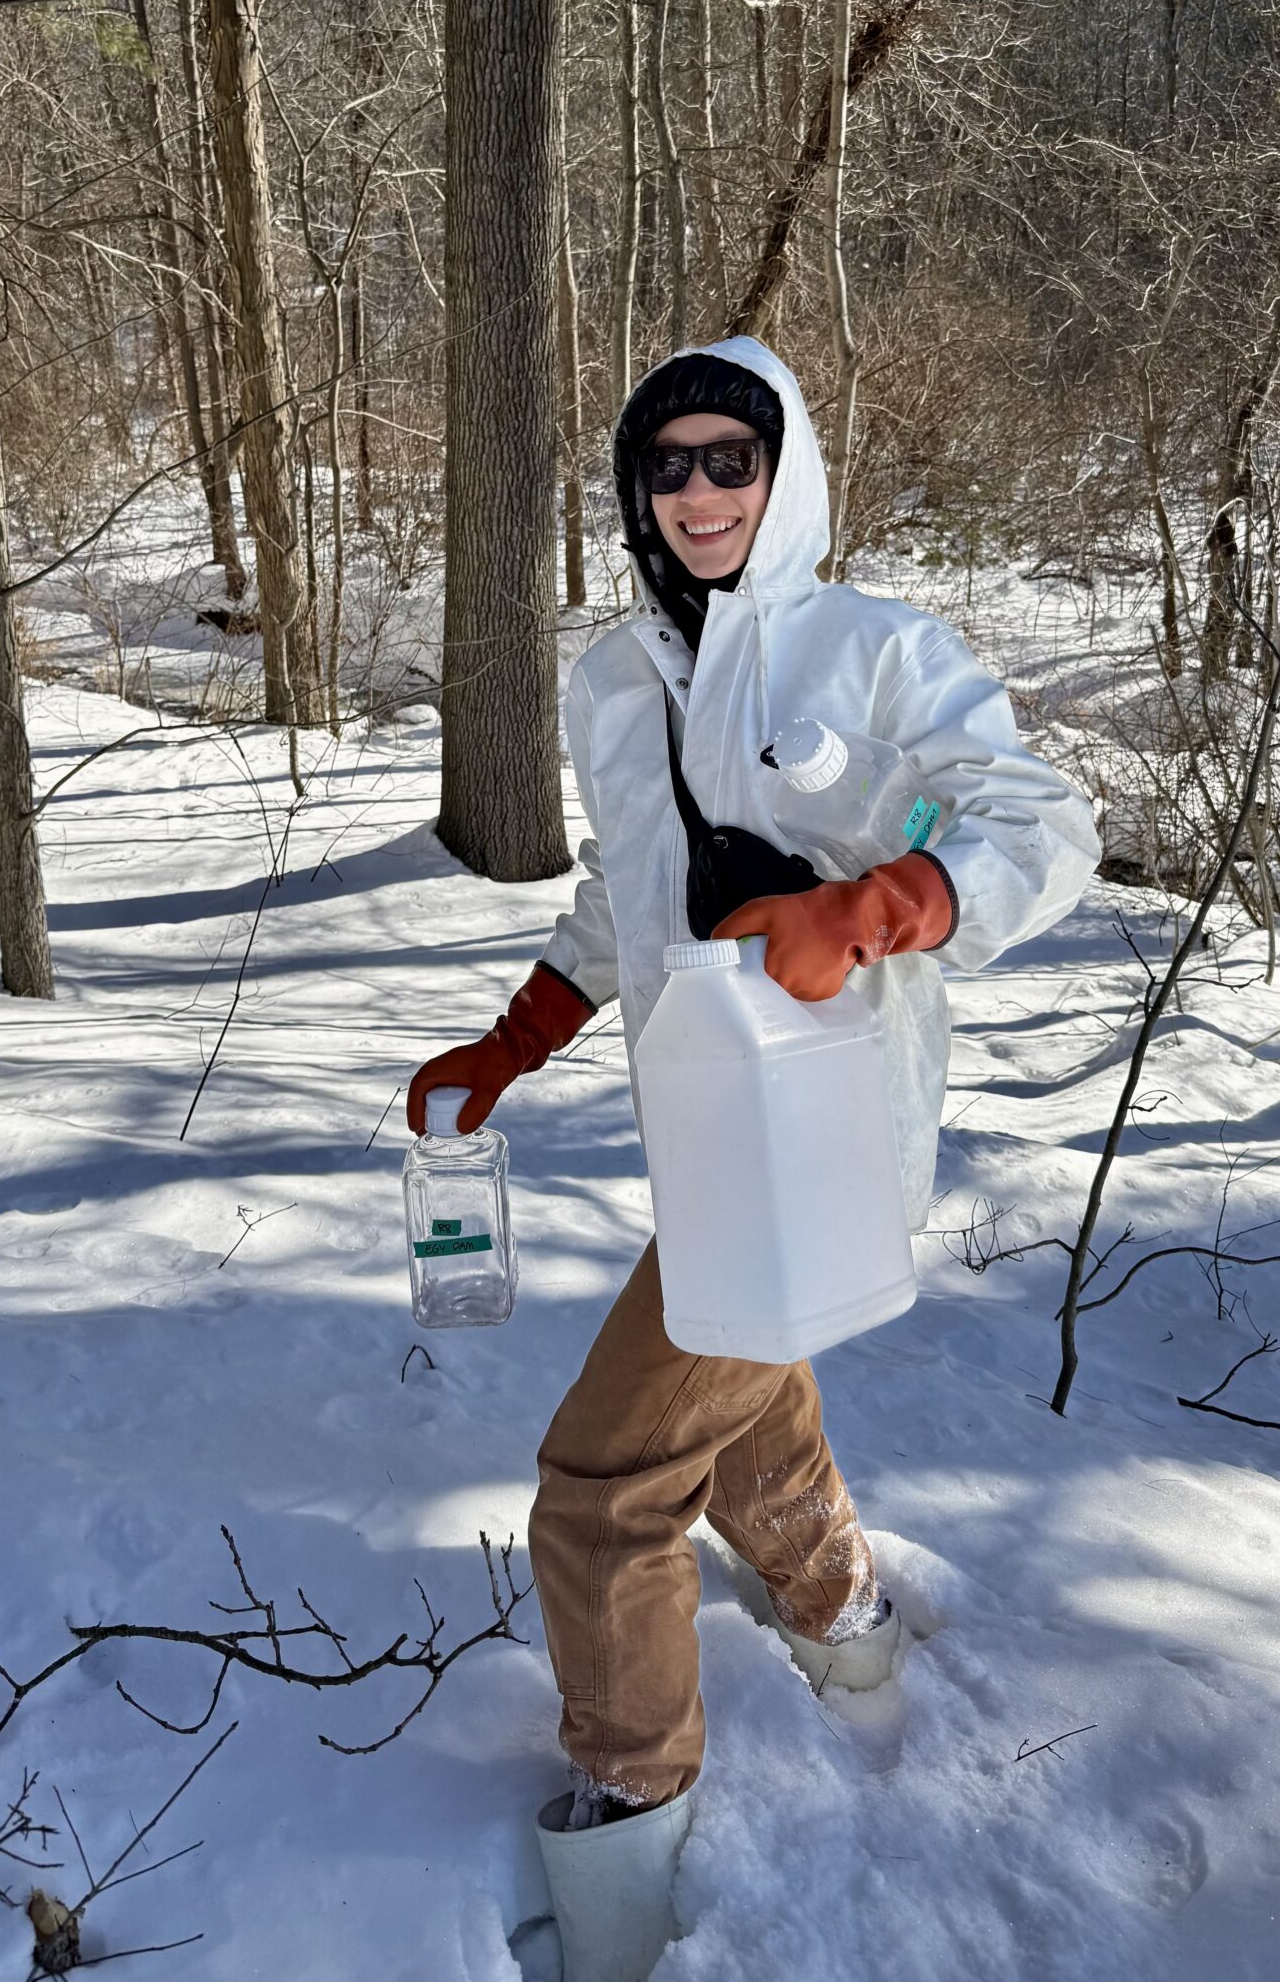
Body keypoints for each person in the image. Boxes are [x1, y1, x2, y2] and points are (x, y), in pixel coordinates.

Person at [408, 341, 1099, 1982]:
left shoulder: (876, 650)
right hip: (703, 1127)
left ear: (783, 477)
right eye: (670, 466)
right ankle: (844, 1620)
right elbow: (621, 895)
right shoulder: (610, 680)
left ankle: (632, 1820)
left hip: (837, 1140)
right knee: (739, 1394)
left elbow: (1041, 825)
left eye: (733, 458)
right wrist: (516, 1036)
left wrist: (882, 905)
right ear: (636, 491)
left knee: (605, 1484)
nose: (701, 491)